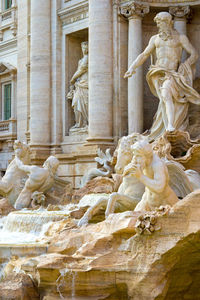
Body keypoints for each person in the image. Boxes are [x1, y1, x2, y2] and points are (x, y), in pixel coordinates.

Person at [124, 12, 200, 140]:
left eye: (161, 23)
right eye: (158, 23)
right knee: (165, 100)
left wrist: (185, 64)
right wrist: (132, 67)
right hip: (157, 73)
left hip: (172, 73)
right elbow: (144, 54)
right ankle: (168, 125)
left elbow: (194, 54)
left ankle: (170, 125)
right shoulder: (155, 39)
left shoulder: (180, 38)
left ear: (169, 22)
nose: (159, 26)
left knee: (166, 94)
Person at [124, 139, 178, 211]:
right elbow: (128, 171)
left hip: (165, 204)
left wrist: (140, 176)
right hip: (147, 200)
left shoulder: (157, 165)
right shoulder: (142, 160)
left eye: (138, 156)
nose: (135, 159)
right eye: (135, 155)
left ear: (146, 156)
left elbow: (159, 188)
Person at [67, 41, 88, 129]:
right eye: (83, 47)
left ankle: (85, 122)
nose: (85, 49)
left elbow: (82, 69)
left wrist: (72, 79)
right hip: (80, 83)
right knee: (76, 102)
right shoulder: (80, 60)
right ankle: (79, 123)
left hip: (85, 82)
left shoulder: (88, 58)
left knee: (85, 102)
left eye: (86, 47)